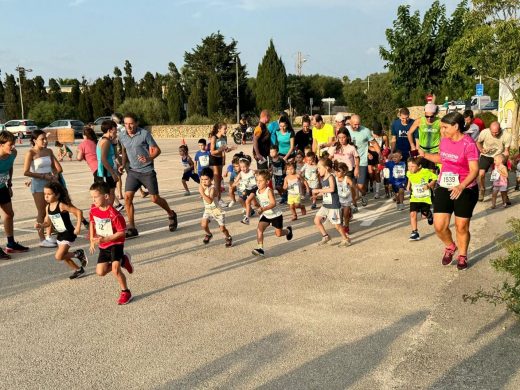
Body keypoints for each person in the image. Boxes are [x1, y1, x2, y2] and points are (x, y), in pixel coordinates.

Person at [418, 112, 479, 270]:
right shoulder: (444, 140)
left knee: (461, 226)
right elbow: (443, 158)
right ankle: (451, 246)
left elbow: (474, 170)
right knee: (439, 226)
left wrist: (461, 186)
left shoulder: (469, 144)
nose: (442, 130)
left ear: (456, 126)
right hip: (444, 185)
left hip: (465, 188)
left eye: (445, 127)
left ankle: (463, 255)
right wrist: (426, 155)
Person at [118, 113, 177, 238]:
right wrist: (123, 164)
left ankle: (171, 213)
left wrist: (149, 158)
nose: (128, 126)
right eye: (126, 123)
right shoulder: (122, 135)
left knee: (154, 199)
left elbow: (157, 150)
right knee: (128, 198)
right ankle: (132, 227)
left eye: (131, 123)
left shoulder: (144, 134)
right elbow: (124, 150)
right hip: (133, 171)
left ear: (136, 123)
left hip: (147, 171)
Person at [89, 181, 133, 305]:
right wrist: (92, 240)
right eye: (92, 197)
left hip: (116, 244)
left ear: (106, 196)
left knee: (115, 270)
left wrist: (106, 239)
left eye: (96, 197)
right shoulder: (93, 209)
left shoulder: (115, 215)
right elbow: (92, 223)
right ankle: (124, 260)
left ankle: (126, 292)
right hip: (103, 246)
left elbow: (122, 233)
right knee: (100, 272)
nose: (94, 200)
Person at [36, 182, 88, 279]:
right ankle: (78, 270)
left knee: (59, 256)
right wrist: (41, 225)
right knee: (64, 255)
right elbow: (47, 222)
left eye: (49, 194)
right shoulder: (48, 207)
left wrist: (78, 226)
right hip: (60, 234)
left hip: (68, 233)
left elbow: (78, 211)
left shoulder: (61, 205)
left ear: (57, 195)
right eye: (44, 194)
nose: (46, 196)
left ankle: (78, 254)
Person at [24, 130, 63, 247]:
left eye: (46, 138)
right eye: (42, 139)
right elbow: (26, 172)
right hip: (38, 185)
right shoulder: (31, 153)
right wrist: (43, 176)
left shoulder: (49, 151)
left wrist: (55, 176)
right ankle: (42, 239)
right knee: (41, 211)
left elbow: (58, 168)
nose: (45, 141)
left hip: (50, 184)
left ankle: (48, 235)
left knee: (50, 210)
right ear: (35, 140)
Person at [247, 170, 293, 257]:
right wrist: (256, 205)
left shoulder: (269, 191)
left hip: (276, 215)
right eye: (257, 181)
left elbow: (273, 203)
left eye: (261, 181)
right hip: (266, 215)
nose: (258, 183)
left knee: (278, 234)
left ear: (267, 182)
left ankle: (288, 231)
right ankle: (260, 249)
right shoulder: (257, 191)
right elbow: (259, 203)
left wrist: (263, 208)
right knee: (259, 229)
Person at [0, 131, 29, 258]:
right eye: (10, 144)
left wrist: (9, 184)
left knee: (9, 214)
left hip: (2, 187)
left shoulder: (13, 154)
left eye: (14, 144)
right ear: (1, 145)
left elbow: (10, 167)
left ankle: (11, 244)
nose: (13, 147)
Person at [313, 158, 351, 247]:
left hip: (333, 205)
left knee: (337, 225)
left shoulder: (330, 177)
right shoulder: (323, 178)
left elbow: (332, 189)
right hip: (326, 205)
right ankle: (326, 236)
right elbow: (326, 191)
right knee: (316, 220)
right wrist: (318, 194)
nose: (318, 170)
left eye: (319, 168)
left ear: (326, 168)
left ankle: (346, 239)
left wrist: (319, 189)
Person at [476, 121, 512, 201]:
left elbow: (506, 151)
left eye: (497, 132)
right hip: (486, 155)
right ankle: (482, 190)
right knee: (481, 174)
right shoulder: (484, 132)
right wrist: (481, 150)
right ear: (489, 129)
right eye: (493, 132)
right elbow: (478, 142)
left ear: (500, 129)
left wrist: (503, 162)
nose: (495, 134)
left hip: (499, 155)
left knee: (504, 176)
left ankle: (505, 195)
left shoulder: (506, 135)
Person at [350, 114, 381, 206]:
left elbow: (374, 143)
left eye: (359, 124)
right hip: (350, 162)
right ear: (350, 122)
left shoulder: (365, 131)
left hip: (362, 161)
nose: (357, 126)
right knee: (351, 185)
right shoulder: (346, 130)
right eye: (355, 124)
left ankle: (363, 194)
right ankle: (353, 205)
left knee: (360, 185)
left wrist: (380, 154)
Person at [198, 167, 233, 247]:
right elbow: (204, 195)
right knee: (203, 224)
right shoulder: (202, 186)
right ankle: (209, 234)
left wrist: (202, 194)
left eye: (206, 179)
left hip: (217, 210)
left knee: (222, 229)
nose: (204, 181)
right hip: (208, 210)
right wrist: (202, 194)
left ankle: (228, 237)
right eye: (202, 179)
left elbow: (210, 201)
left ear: (211, 179)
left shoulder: (212, 189)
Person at [328, 128, 359, 210]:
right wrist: (327, 166)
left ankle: (353, 203)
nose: (341, 140)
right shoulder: (335, 147)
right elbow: (329, 158)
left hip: (348, 171)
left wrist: (357, 168)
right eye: (339, 137)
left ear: (347, 137)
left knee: (349, 188)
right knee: (338, 189)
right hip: (337, 172)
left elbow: (357, 158)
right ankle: (341, 204)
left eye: (343, 137)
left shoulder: (351, 148)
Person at [406, 157, 437, 241]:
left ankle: (429, 215)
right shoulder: (409, 172)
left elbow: (435, 178)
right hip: (415, 197)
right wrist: (408, 185)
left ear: (419, 166)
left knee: (424, 215)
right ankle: (414, 232)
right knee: (413, 213)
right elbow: (409, 177)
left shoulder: (426, 172)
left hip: (425, 198)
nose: (410, 168)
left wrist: (429, 185)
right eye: (408, 166)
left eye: (412, 166)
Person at [96, 120, 123, 209]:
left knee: (111, 194)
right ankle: (107, 214)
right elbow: (103, 159)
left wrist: (114, 142)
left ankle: (109, 213)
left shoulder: (108, 141)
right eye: (115, 129)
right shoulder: (105, 142)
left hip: (109, 171)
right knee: (109, 195)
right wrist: (113, 173)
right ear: (109, 130)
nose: (116, 131)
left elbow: (114, 155)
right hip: (105, 173)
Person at [407, 103, 441, 170]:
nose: (429, 118)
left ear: (435, 114)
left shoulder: (439, 122)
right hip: (422, 150)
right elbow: (409, 133)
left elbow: (444, 136)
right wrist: (412, 145)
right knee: (421, 170)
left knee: (432, 171)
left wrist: (441, 149)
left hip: (434, 150)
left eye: (431, 116)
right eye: (427, 116)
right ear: (424, 114)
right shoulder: (419, 121)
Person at [209, 123, 235, 205]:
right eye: (225, 129)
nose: (226, 130)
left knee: (219, 180)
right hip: (214, 159)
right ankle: (218, 200)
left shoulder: (225, 137)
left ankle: (217, 198)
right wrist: (220, 149)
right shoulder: (214, 138)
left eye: (226, 128)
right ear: (219, 129)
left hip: (220, 159)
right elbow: (212, 152)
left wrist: (230, 149)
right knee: (217, 180)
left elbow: (225, 150)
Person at [234, 156, 257, 225]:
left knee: (248, 201)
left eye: (244, 167)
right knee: (241, 199)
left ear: (248, 165)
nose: (243, 169)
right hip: (246, 189)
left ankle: (247, 218)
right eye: (241, 167)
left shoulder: (252, 172)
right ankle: (259, 210)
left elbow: (260, 175)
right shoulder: (241, 173)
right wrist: (236, 183)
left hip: (254, 189)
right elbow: (235, 182)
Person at [368, 122, 388, 198]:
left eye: (378, 132)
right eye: (375, 133)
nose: (376, 134)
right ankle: (370, 185)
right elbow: (365, 145)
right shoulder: (369, 134)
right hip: (370, 155)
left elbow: (387, 147)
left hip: (379, 155)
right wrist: (368, 153)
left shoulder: (384, 136)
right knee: (370, 173)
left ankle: (377, 192)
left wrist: (384, 155)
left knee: (377, 173)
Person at [334, 162, 353, 235]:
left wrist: (354, 197)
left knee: (346, 215)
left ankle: (346, 227)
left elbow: (353, 187)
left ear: (344, 172)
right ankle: (341, 228)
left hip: (347, 200)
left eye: (339, 171)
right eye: (336, 171)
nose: (337, 173)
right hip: (338, 200)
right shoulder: (334, 179)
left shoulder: (347, 179)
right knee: (340, 215)